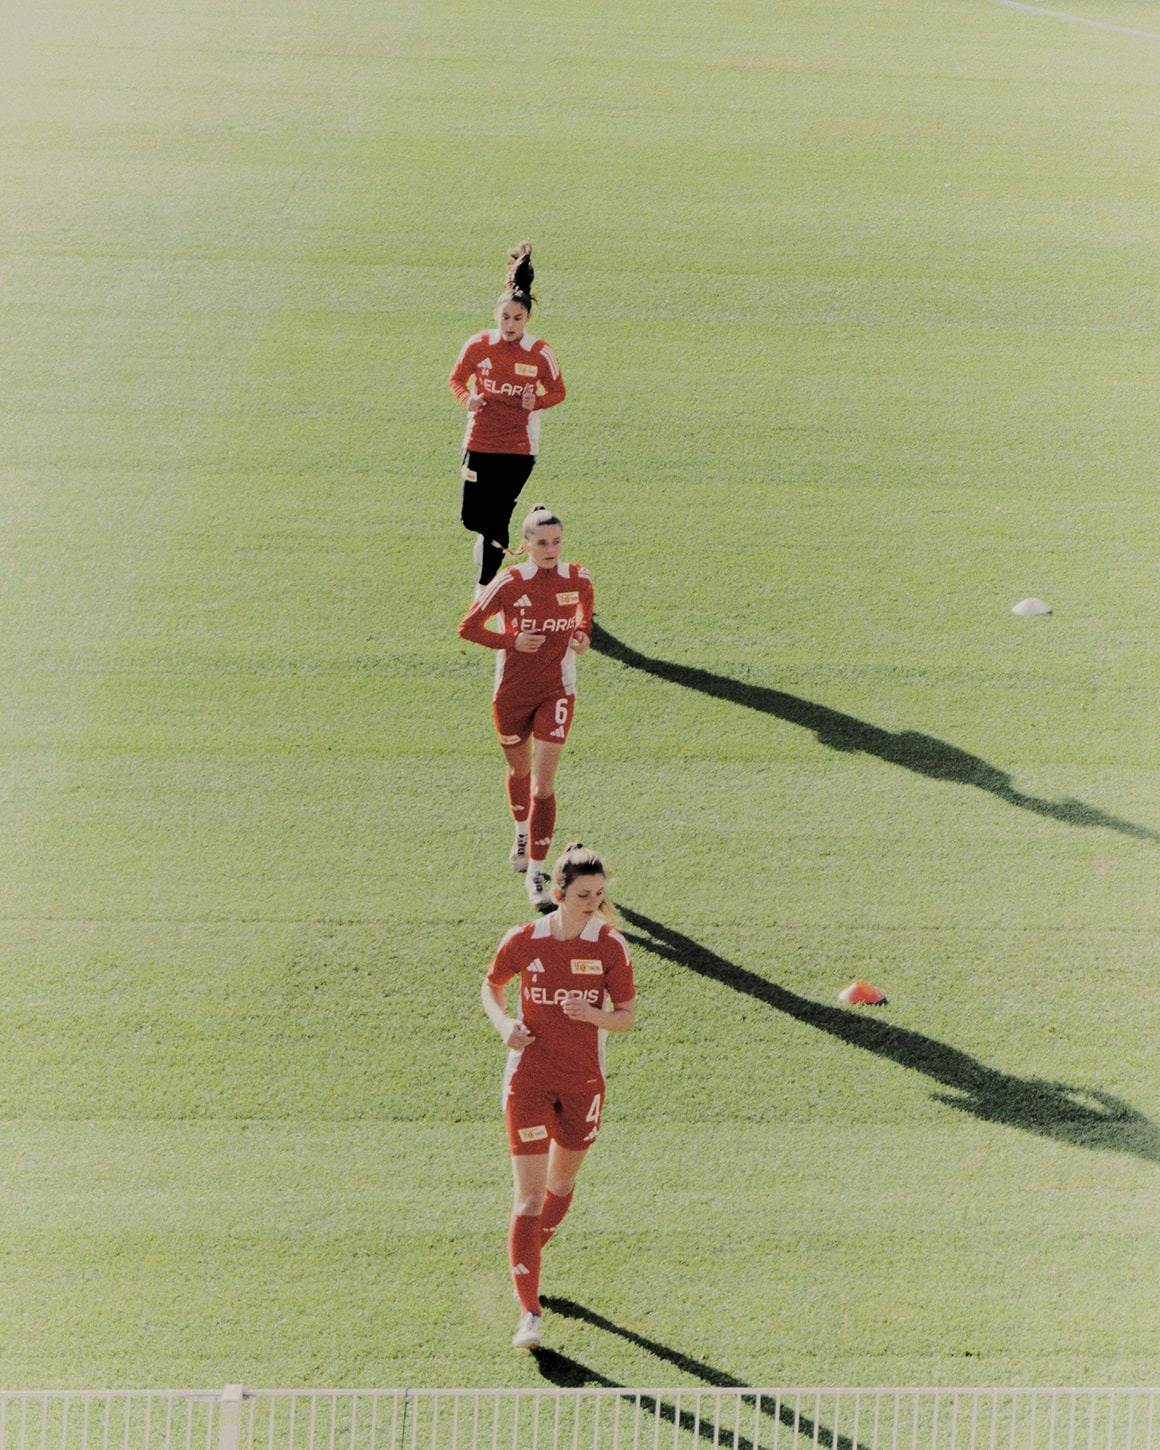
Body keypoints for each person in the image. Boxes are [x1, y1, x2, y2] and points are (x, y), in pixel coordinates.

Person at [480, 843, 636, 1350]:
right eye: (584, 894)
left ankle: (527, 1257)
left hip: (583, 1083)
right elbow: (491, 986)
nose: (593, 903)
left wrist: (594, 1015)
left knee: (560, 1185)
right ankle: (529, 1312)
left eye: (599, 894)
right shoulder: (524, 939)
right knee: (528, 1197)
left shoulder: (610, 946)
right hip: (528, 1080)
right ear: (560, 892)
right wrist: (504, 1024)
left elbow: (626, 1017)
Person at [458, 504, 593, 906]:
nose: (550, 550)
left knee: (544, 784)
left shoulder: (579, 579)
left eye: (556, 542)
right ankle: (521, 831)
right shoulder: (508, 582)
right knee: (519, 769)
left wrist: (582, 637)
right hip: (513, 694)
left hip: (557, 690)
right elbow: (468, 628)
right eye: (542, 543)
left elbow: (584, 619)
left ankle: (536, 873)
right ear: (527, 544)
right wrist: (511, 641)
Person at [448, 242, 566, 596]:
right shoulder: (478, 345)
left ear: (527, 319)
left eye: (517, 319)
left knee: (499, 516)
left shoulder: (540, 353)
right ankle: (486, 540)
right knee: (472, 517)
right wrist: (468, 399)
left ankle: (485, 586)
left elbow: (559, 392)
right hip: (479, 440)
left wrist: (536, 402)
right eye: (505, 318)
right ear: (495, 315)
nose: (510, 325)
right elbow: (456, 380)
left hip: (518, 448)